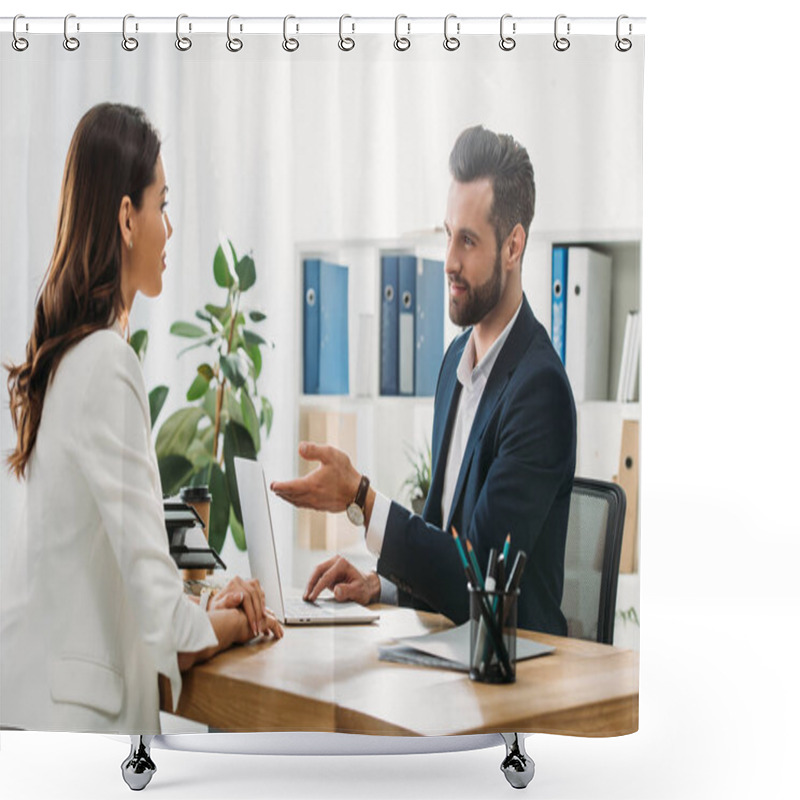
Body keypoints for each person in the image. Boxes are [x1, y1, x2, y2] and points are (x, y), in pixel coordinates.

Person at [1, 102, 283, 734]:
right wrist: (243, 619)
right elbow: (166, 624)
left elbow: (122, 564)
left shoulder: (75, 353)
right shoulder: (105, 361)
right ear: (127, 217)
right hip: (72, 730)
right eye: (162, 204)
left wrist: (209, 599)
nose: (169, 228)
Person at [272, 125, 576, 635]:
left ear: (513, 246)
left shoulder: (538, 389)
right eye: (447, 235)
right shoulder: (455, 362)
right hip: (455, 649)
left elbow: (476, 577)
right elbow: (442, 540)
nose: (449, 262)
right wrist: (382, 586)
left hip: (516, 669)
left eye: (469, 241)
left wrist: (361, 497)